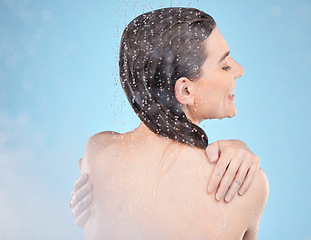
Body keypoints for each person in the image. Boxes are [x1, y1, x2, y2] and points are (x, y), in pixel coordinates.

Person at [69, 7, 269, 240]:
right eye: (225, 65)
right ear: (185, 90)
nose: (239, 70)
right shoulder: (246, 187)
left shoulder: (98, 151)